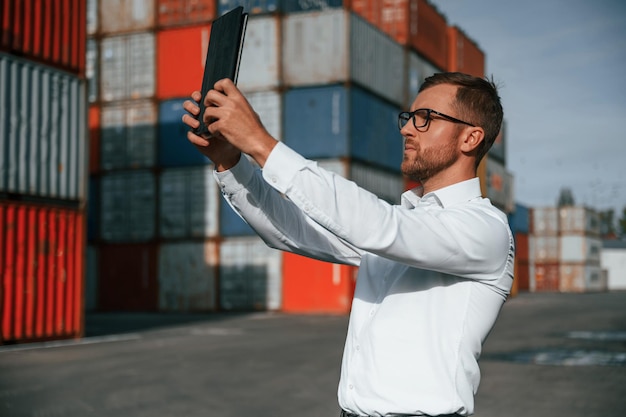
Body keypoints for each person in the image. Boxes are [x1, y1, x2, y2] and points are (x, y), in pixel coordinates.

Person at [182, 72, 514, 417]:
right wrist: (230, 162)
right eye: (409, 117)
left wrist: (261, 144)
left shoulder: (485, 230)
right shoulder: (407, 225)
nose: (407, 129)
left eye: (425, 118)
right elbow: (291, 230)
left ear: (470, 138)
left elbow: (380, 226)